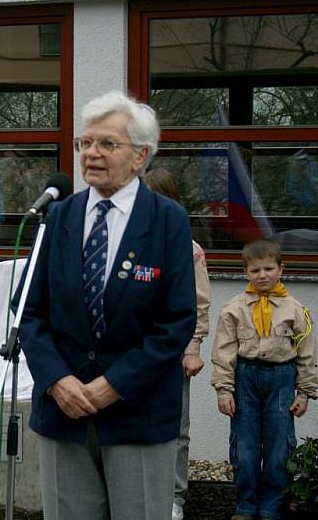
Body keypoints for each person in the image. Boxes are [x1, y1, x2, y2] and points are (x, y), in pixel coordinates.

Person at [18, 90, 197, 520]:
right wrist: (57, 380)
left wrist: (111, 385)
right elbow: (27, 311)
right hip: (64, 412)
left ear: (141, 156)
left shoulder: (167, 220)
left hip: (137, 413)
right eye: (85, 143)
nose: (91, 154)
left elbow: (176, 322)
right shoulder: (58, 217)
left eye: (107, 144)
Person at [211, 238, 317, 520]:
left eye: (269, 269)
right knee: (244, 446)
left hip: (282, 379)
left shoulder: (296, 310)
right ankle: (246, 505)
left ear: (281, 269)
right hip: (245, 377)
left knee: (279, 447)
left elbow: (307, 354)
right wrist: (224, 390)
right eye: (255, 270)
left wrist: (304, 393)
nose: (263, 275)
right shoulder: (233, 309)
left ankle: (273, 506)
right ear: (246, 272)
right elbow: (223, 352)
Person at [145, 167, 212, 520]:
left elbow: (199, 303)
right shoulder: (133, 241)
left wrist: (193, 349)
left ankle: (173, 498)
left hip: (173, 352)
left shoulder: (189, 248)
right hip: (135, 353)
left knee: (176, 429)